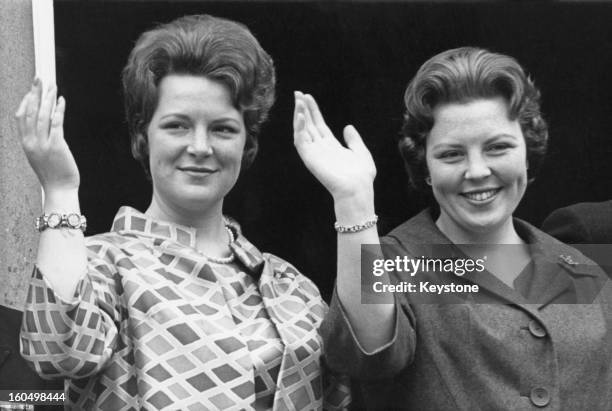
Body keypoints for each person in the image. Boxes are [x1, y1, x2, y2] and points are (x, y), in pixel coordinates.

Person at [16, 15, 349, 410]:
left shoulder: (292, 285)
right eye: (177, 126)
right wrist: (59, 190)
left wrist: (353, 199)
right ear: (143, 135)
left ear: (247, 144)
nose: (201, 146)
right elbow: (56, 351)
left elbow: (371, 363)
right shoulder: (100, 265)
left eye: (223, 129)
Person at [293, 47, 612, 410]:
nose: (476, 171)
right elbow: (367, 355)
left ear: (528, 152)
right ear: (425, 167)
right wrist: (353, 200)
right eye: (451, 154)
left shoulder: (580, 266)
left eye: (498, 148)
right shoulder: (396, 263)